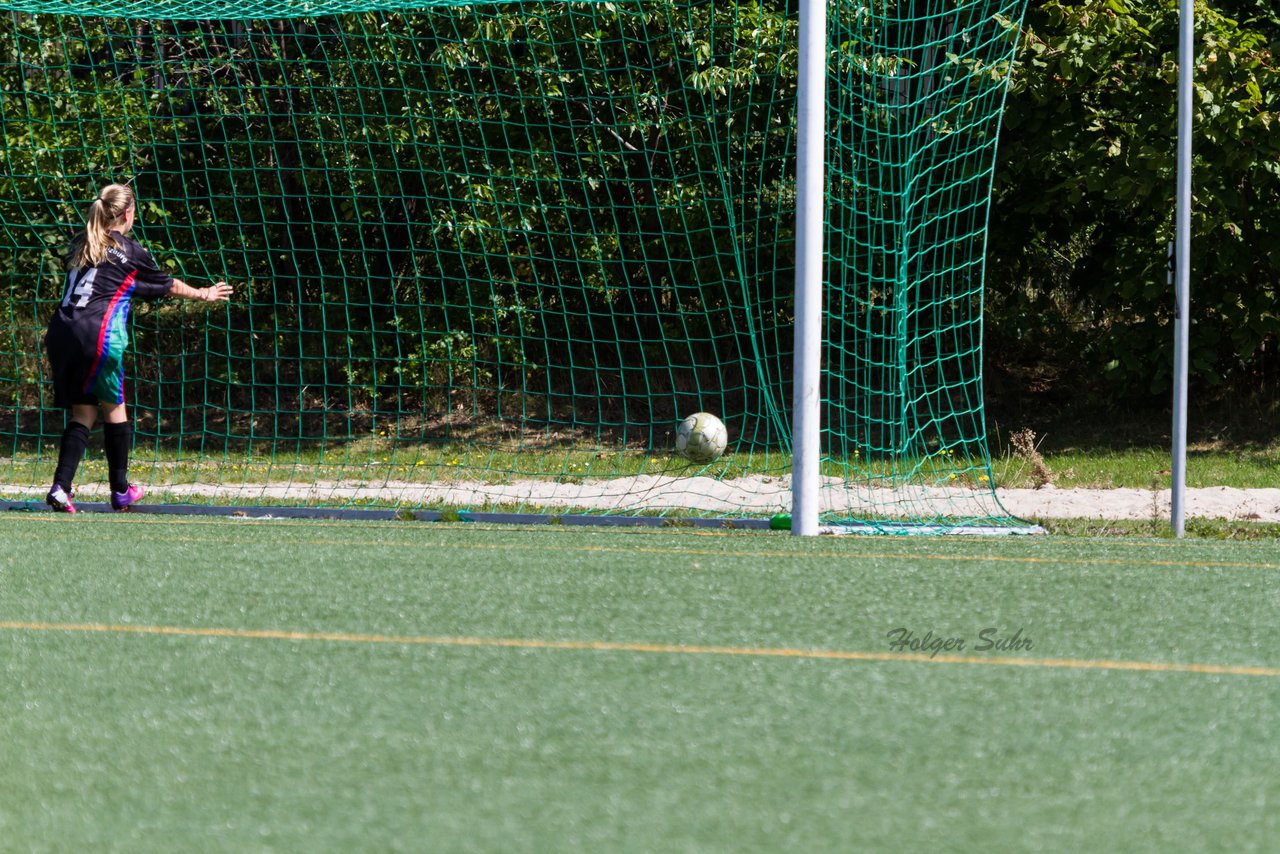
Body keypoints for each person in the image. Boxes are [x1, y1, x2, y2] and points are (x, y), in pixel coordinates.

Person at [43, 183, 233, 513]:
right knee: (115, 408)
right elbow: (165, 284)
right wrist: (203, 293)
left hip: (61, 332)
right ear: (128, 213)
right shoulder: (129, 251)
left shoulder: (82, 241)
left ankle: (61, 487)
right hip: (97, 335)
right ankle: (120, 491)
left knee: (84, 412)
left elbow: (123, 281)